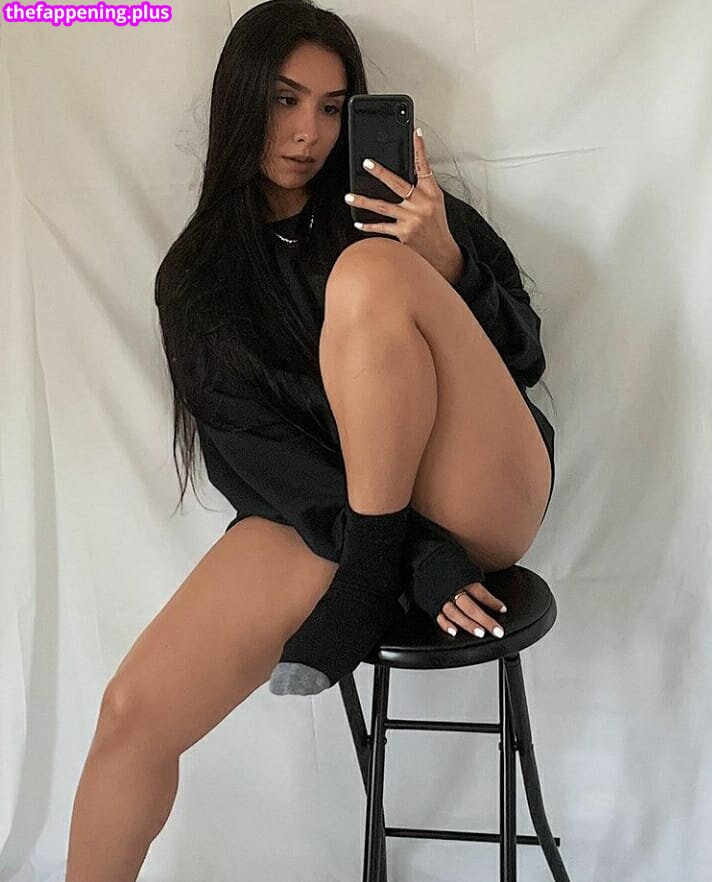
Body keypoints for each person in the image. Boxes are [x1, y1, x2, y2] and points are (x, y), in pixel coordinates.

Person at [64, 1, 556, 878]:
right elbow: (261, 464)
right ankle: (376, 561)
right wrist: (415, 557)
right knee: (131, 713)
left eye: (332, 108)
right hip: (342, 517)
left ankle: (367, 574)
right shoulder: (197, 280)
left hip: (482, 486)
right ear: (241, 99)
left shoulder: (397, 208)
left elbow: (524, 357)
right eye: (285, 101)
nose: (307, 134)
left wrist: (448, 262)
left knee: (370, 269)